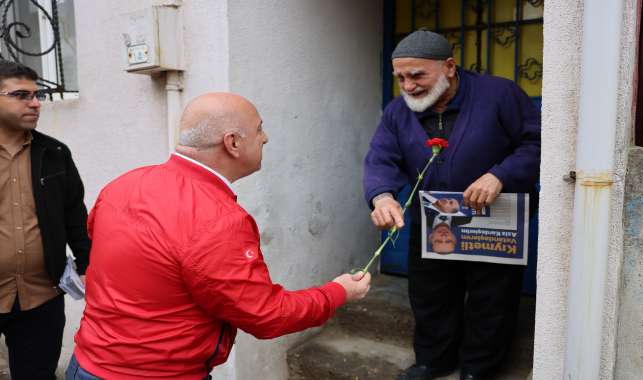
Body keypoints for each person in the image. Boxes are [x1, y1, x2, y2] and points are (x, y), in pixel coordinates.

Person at [66, 93, 371, 380]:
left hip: (86, 363)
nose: (265, 137)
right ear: (233, 143)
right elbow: (266, 315)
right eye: (259, 129)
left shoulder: (123, 185)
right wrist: (338, 292)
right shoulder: (218, 220)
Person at [363, 30, 540, 380]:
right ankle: (434, 360)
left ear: (449, 67)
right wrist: (382, 196)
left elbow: (535, 143)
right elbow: (382, 158)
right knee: (431, 295)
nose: (408, 86)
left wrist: (500, 175)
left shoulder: (501, 94)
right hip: (433, 218)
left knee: (492, 298)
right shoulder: (398, 111)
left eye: (417, 75)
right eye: (401, 78)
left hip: (494, 219)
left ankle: (479, 367)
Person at [0, 60, 90, 379]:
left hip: (41, 298)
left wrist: (87, 264)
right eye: (22, 95)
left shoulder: (55, 153)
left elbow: (75, 216)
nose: (35, 103)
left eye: (38, 95)